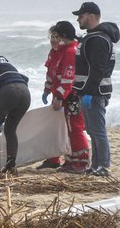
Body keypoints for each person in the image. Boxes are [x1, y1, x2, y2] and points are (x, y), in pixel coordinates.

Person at [72, 2, 120, 177]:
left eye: (81, 16)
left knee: (98, 131)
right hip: (91, 91)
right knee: (92, 130)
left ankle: (103, 166)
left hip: (95, 92)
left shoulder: (98, 39)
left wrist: (89, 93)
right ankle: (95, 165)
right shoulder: (92, 37)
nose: (78, 19)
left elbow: (97, 69)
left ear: (90, 16)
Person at [36, 21, 90, 173]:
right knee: (59, 127)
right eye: (51, 36)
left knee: (74, 127)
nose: (53, 40)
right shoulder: (57, 51)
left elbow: (68, 77)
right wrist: (48, 89)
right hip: (59, 94)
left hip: (71, 96)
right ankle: (57, 159)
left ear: (63, 36)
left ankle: (81, 160)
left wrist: (60, 96)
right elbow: (52, 72)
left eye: (56, 36)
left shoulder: (70, 51)